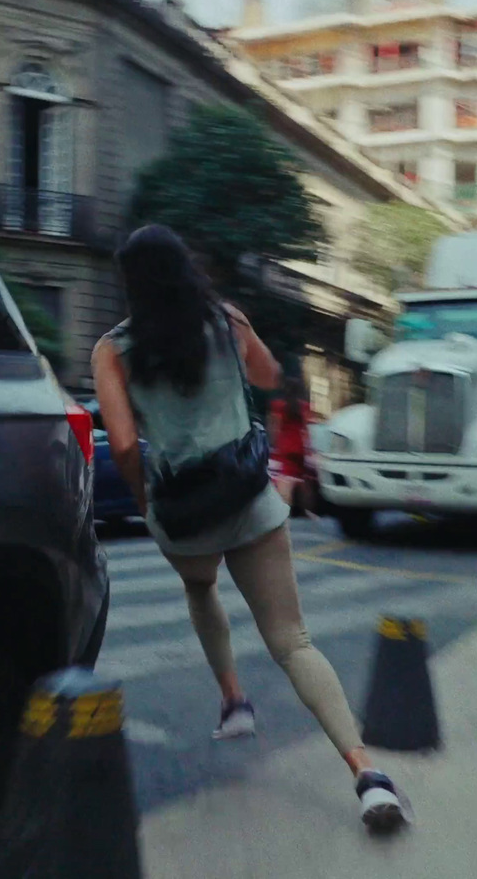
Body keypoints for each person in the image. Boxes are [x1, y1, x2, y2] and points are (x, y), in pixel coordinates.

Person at [91, 225, 407, 832]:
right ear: (187, 268)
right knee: (293, 642)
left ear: (129, 284)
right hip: (247, 498)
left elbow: (125, 444)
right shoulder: (226, 320)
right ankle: (367, 775)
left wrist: (144, 500)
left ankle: (234, 697)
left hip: (182, 512)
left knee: (201, 588)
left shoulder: (114, 349)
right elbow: (265, 377)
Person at [267, 375, 315, 517]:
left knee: (285, 481)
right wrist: (309, 448)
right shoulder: (304, 406)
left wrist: (273, 444)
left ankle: (284, 509)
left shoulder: (278, 405)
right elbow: (307, 429)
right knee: (303, 481)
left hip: (285, 446)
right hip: (299, 446)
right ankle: (308, 510)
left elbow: (274, 427)